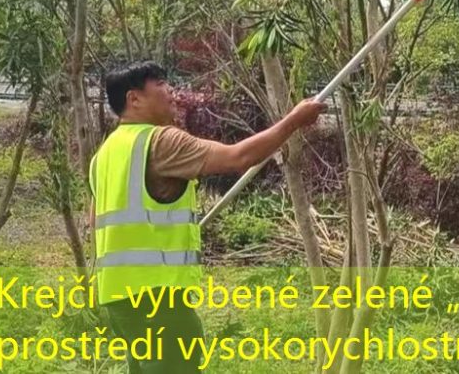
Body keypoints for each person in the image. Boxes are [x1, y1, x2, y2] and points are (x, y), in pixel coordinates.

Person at [88, 61, 326, 373]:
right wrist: (294, 121)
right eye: (160, 83)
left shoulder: (104, 154)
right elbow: (239, 156)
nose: (171, 90)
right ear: (134, 99)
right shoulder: (161, 141)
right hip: (159, 299)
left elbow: (95, 222)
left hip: (117, 299)